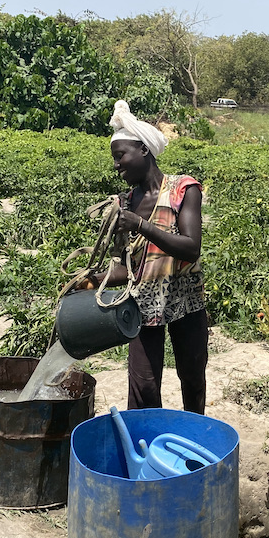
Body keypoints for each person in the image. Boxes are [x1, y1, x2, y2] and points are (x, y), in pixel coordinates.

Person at [81, 100, 209, 414]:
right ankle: (147, 449)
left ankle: (194, 442)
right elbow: (130, 268)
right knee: (144, 387)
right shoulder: (124, 203)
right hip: (144, 306)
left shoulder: (183, 189)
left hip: (186, 303)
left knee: (191, 378)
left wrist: (141, 224)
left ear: (143, 150)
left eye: (121, 156)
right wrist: (92, 281)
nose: (116, 165)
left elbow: (191, 246)